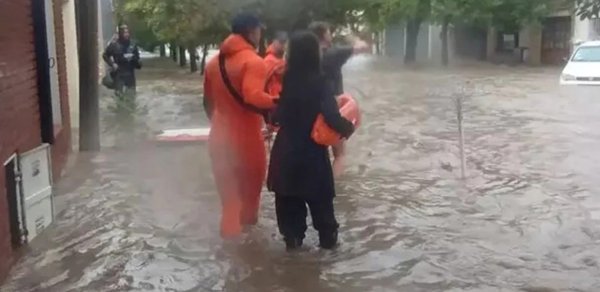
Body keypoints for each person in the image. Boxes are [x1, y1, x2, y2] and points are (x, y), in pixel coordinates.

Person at [267, 31, 355, 250]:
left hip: (285, 155)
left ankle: (292, 270)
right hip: (312, 156)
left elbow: (276, 116)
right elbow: (332, 116)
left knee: (291, 228)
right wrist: (349, 127)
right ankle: (326, 270)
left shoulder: (286, 81)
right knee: (325, 220)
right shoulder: (321, 81)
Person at [203, 13, 278, 239]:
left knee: (230, 206)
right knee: (250, 206)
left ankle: (228, 259)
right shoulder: (254, 62)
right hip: (246, 143)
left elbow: (207, 103)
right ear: (251, 31)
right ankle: (249, 261)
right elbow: (253, 96)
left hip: (218, 139)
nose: (261, 34)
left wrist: (222, 123)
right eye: (259, 30)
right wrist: (280, 101)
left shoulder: (213, 63)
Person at [308, 21, 368, 177]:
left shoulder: (306, 55)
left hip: (311, 107)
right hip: (332, 107)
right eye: (328, 32)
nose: (331, 35)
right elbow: (362, 47)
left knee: (317, 152)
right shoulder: (334, 53)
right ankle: (332, 191)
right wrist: (352, 36)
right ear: (323, 35)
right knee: (339, 155)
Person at [102, 24, 142, 96]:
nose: (126, 34)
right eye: (124, 33)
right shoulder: (114, 45)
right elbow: (105, 55)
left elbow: (137, 59)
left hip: (130, 74)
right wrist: (112, 64)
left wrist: (136, 61)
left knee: (131, 96)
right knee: (119, 96)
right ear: (120, 34)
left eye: (127, 32)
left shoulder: (132, 45)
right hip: (119, 74)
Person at [264, 32, 288, 96]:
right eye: (281, 42)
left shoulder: (284, 59)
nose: (284, 45)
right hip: (272, 98)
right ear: (274, 41)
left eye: (285, 42)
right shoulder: (268, 60)